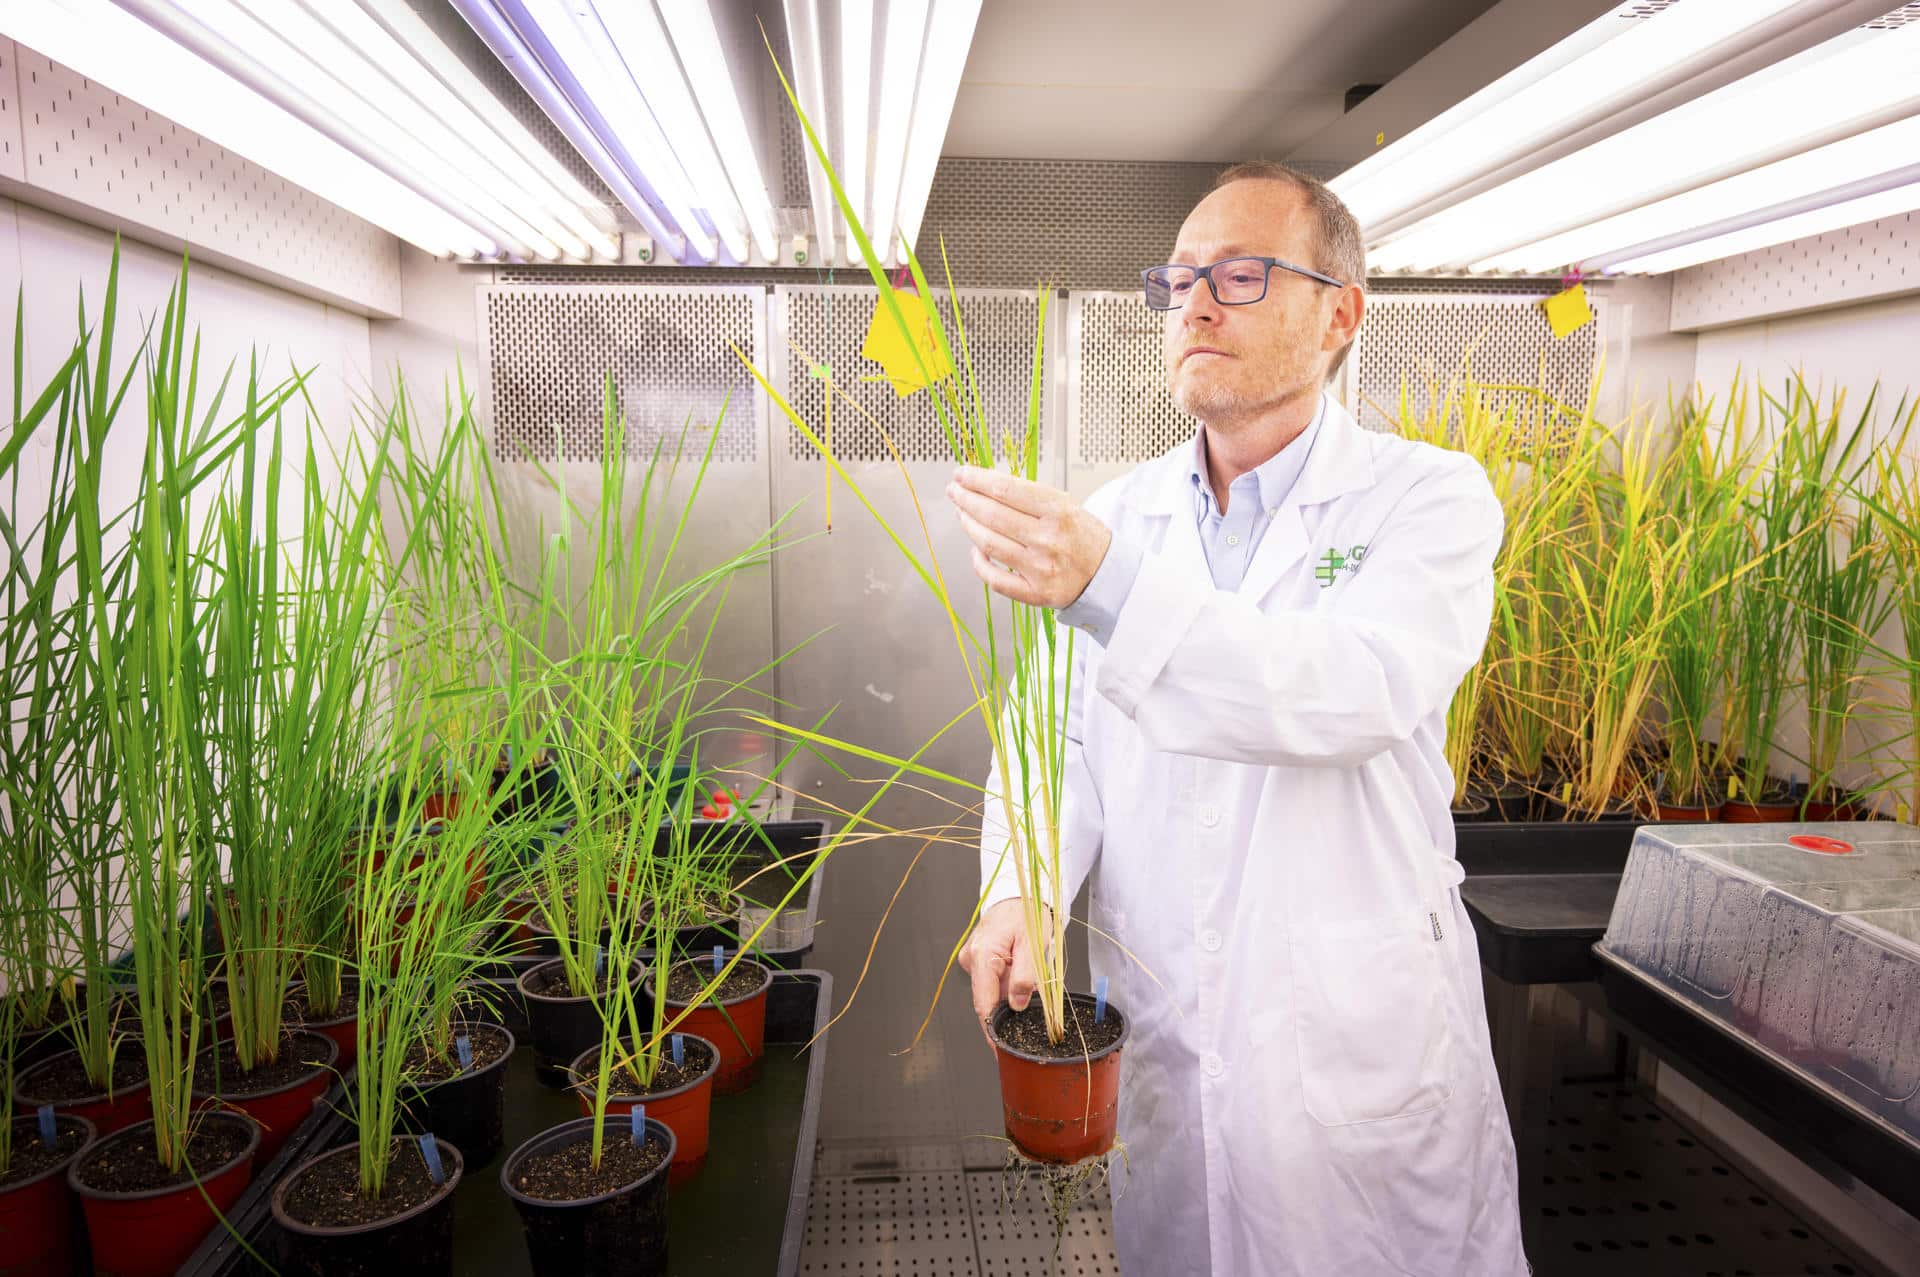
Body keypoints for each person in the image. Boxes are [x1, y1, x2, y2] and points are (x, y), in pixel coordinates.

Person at [949, 161, 1528, 1276]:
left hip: (1354, 1052)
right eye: (1179, 278)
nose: (1197, 301)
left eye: (1242, 273)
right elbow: (1051, 737)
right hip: (1174, 1038)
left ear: (1339, 314)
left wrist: (1109, 587)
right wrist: (1023, 880)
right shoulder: (1122, 518)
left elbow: (1348, 688)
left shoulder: (1430, 499)